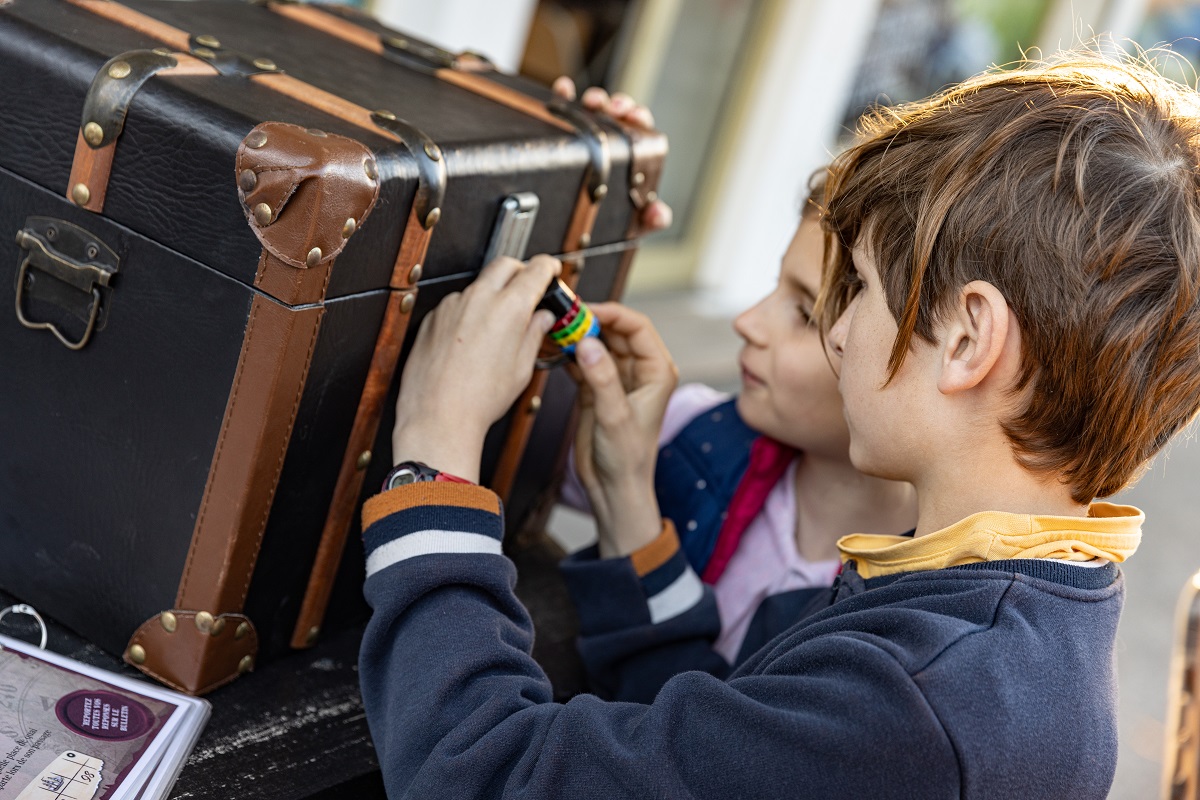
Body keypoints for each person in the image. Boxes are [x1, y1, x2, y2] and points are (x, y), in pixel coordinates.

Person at [358, 53, 1200, 798]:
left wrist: (433, 461)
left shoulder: (915, 701)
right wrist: (625, 498)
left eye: (859, 288)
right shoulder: (1013, 622)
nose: (838, 332)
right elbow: (725, 738)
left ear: (969, 340)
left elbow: (481, 773)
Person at [554, 167, 917, 703]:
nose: (747, 321)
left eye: (802, 314)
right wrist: (587, 206)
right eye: (773, 288)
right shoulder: (692, 430)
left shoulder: (901, 620)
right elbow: (524, 453)